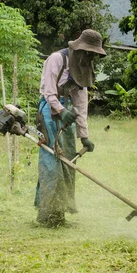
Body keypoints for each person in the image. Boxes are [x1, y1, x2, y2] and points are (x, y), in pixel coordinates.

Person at [35, 29, 106, 227]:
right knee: (52, 160)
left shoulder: (85, 67)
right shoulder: (57, 59)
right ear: (80, 49)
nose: (90, 57)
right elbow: (49, 92)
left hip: (68, 113)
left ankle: (60, 213)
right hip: (49, 111)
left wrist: (84, 136)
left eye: (94, 54)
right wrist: (60, 109)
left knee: (67, 160)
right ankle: (48, 215)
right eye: (88, 53)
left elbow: (81, 105)